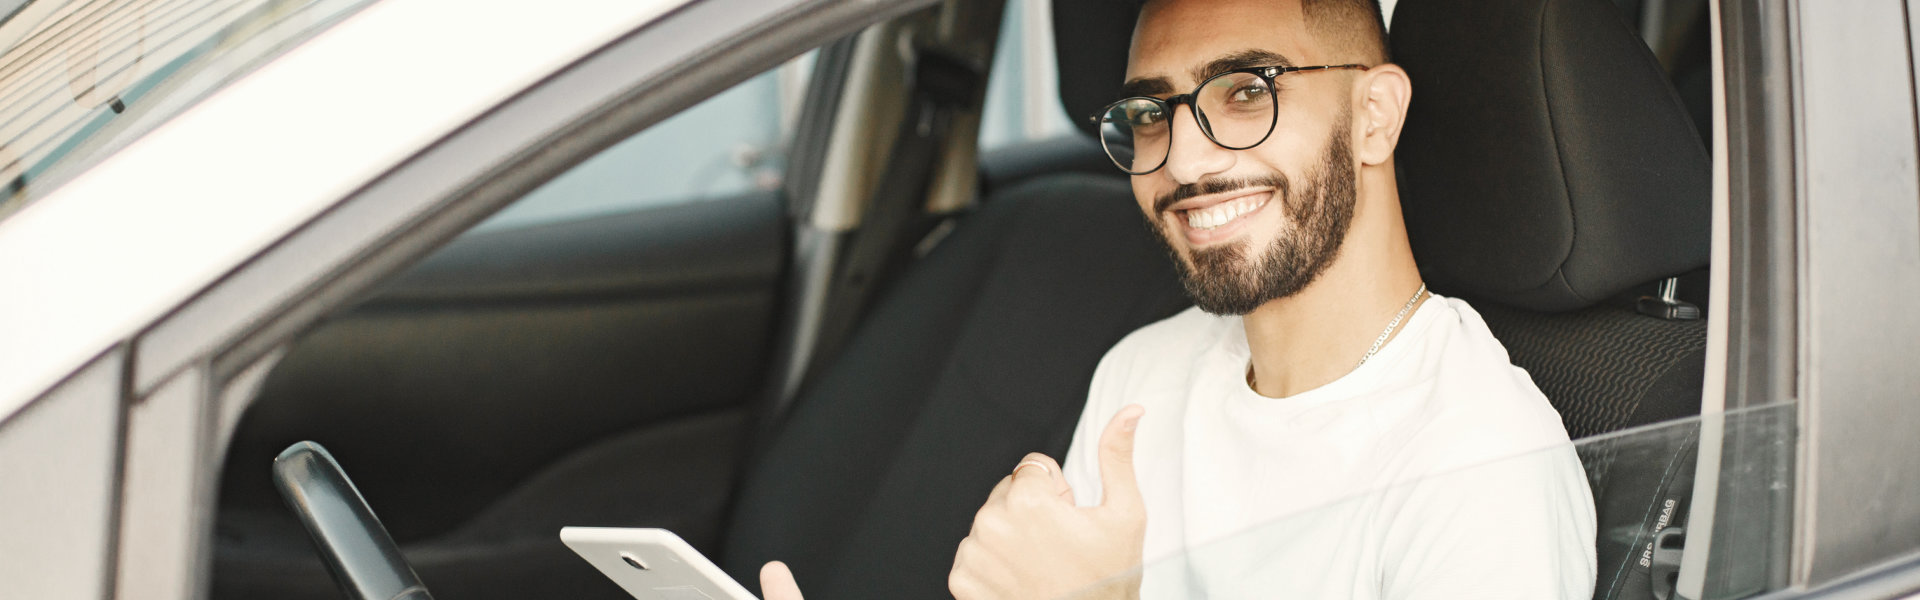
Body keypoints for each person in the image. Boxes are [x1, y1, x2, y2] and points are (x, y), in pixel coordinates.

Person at [760, 0, 1596, 597]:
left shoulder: (1481, 473)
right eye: (1148, 113)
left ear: (1374, 115)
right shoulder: (1145, 373)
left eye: (1246, 91)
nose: (1185, 164)